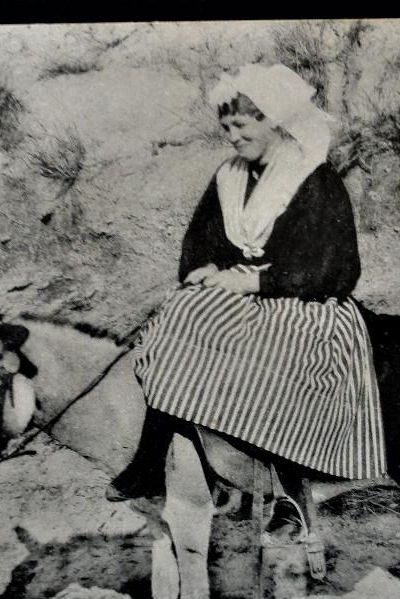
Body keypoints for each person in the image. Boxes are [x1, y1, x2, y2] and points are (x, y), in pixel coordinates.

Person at [108, 63, 379, 503]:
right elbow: (201, 241)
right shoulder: (229, 178)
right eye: (226, 126)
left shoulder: (312, 176)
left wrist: (254, 283)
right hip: (238, 296)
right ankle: (157, 457)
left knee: (277, 349)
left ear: (273, 120)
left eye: (241, 125)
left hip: (304, 301)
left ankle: (283, 479)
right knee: (178, 317)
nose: (232, 136)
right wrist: (204, 270)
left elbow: (336, 266)